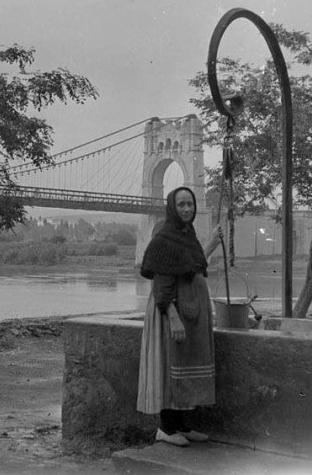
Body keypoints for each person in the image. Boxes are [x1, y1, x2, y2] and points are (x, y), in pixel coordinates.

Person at [137, 186, 222, 447]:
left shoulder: (187, 234)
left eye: (190, 204)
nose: (187, 209)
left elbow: (191, 266)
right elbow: (162, 282)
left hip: (190, 309)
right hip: (170, 309)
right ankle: (165, 428)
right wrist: (172, 316)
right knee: (169, 365)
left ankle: (184, 427)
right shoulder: (165, 238)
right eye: (182, 205)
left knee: (185, 365)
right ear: (173, 208)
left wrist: (211, 245)